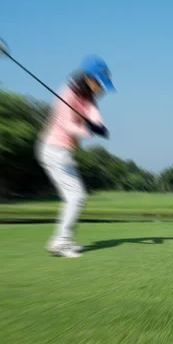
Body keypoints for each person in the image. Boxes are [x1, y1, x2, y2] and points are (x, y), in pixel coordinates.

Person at [36, 55, 115, 258]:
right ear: (89, 78)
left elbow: (93, 113)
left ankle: (65, 239)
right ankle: (60, 241)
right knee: (76, 196)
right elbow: (67, 126)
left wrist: (100, 125)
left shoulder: (88, 97)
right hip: (54, 149)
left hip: (62, 151)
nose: (102, 88)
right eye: (100, 83)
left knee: (75, 197)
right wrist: (88, 129)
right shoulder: (67, 93)